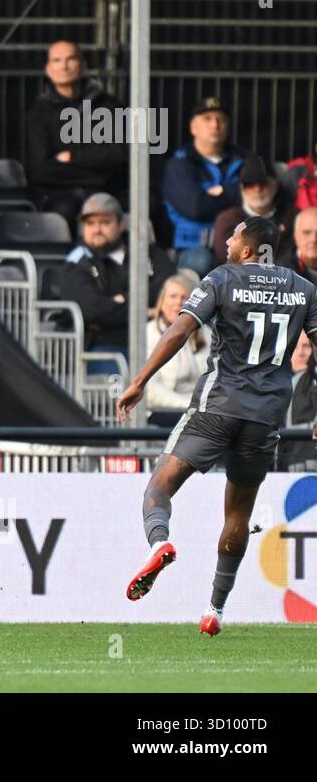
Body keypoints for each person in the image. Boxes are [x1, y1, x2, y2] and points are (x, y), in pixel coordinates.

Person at [117, 216, 317, 636]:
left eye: (233, 235)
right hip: (264, 419)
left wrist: (140, 381)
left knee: (159, 487)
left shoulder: (222, 278)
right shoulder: (304, 290)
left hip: (216, 407)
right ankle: (215, 609)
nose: (226, 240)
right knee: (238, 513)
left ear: (248, 248)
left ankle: (160, 544)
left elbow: (179, 329)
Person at [53, 192, 175, 369]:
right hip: (104, 344)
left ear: (121, 224)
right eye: (90, 223)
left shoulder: (146, 251)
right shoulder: (77, 261)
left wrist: (120, 300)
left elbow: (169, 286)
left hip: (153, 340)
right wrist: (146, 311)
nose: (97, 229)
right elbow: (91, 309)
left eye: (104, 222)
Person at [24, 40, 127, 219]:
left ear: (83, 65)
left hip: (107, 190)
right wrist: (96, 168)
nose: (64, 66)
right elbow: (40, 169)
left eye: (70, 59)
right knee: (62, 213)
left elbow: (119, 154)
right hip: (59, 194)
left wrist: (72, 158)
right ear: (48, 69)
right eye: (56, 60)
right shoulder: (39, 112)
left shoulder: (108, 106)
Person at [162, 97, 249, 276]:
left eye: (221, 119)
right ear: (193, 127)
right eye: (207, 118)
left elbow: (258, 198)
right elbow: (196, 208)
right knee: (202, 262)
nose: (215, 124)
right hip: (194, 247)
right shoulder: (180, 164)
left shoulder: (244, 161)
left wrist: (223, 192)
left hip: (238, 245)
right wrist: (236, 193)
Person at [144, 274, 210, 428]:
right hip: (163, 410)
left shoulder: (205, 333)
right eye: (172, 296)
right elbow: (152, 392)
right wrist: (190, 406)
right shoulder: (149, 332)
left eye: (184, 297)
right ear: (162, 301)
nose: (178, 303)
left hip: (201, 409)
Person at [210, 155, 293, 266]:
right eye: (250, 184)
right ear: (242, 188)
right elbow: (231, 257)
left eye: (263, 183)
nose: (257, 189)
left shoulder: (291, 217)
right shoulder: (227, 220)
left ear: (276, 185)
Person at [281, 333, 317, 470]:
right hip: (291, 470)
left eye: (306, 346)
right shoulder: (280, 387)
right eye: (295, 347)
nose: (301, 353)